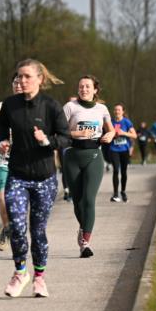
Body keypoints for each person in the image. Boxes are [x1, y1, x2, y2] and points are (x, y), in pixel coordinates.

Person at [0, 59, 70, 298]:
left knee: (37, 230)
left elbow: (66, 138)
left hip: (44, 178)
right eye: (19, 76)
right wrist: (4, 142)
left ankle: (39, 278)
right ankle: (20, 273)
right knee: (17, 226)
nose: (22, 80)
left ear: (40, 79)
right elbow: (2, 128)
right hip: (17, 175)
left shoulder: (51, 106)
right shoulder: (10, 105)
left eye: (27, 76)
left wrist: (46, 141)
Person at [62, 76, 115, 258]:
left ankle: (85, 242)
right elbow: (59, 132)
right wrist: (77, 132)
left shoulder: (102, 109)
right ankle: (83, 227)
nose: (83, 89)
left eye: (87, 86)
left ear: (95, 90)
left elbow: (111, 129)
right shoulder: (70, 107)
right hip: (72, 157)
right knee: (77, 201)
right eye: (81, 86)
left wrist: (110, 135)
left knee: (89, 199)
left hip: (94, 155)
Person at [0, 75, 25, 251]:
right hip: (3, 160)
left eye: (21, 83)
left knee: (19, 203)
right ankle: (7, 229)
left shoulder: (31, 108)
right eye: (15, 83)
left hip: (24, 162)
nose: (18, 85)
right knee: (3, 199)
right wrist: (3, 137)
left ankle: (16, 230)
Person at [109, 104, 136, 203]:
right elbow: (106, 133)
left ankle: (123, 191)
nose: (117, 111)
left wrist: (123, 133)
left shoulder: (126, 122)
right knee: (116, 170)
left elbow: (134, 135)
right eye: (115, 110)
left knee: (124, 172)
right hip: (114, 149)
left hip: (124, 150)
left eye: (119, 110)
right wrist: (112, 135)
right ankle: (115, 194)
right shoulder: (111, 122)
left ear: (123, 111)